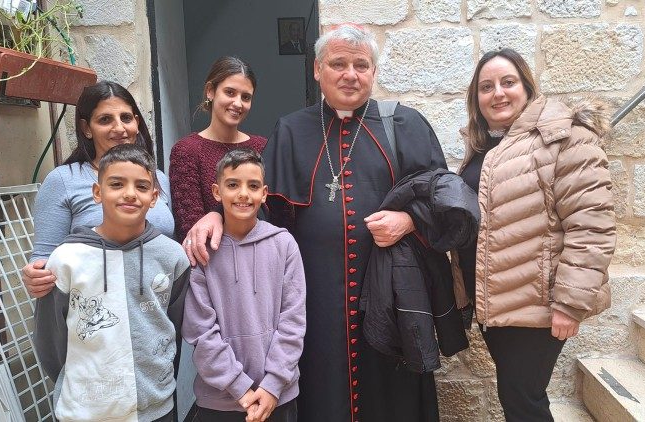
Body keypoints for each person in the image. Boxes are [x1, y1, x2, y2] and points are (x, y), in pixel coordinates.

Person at [186, 24, 447, 422]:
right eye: (338, 63)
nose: (350, 74)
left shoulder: (406, 126)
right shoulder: (291, 130)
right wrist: (212, 213)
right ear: (317, 70)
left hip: (390, 297)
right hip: (314, 300)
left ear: (374, 73)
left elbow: (444, 198)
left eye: (361, 65)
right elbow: (259, 209)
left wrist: (409, 219)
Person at [451, 48, 616, 421]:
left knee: (523, 400)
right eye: (486, 86)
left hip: (536, 303)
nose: (498, 93)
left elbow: (591, 225)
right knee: (519, 397)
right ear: (476, 98)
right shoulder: (487, 145)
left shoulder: (564, 137)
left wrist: (569, 304)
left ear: (527, 87)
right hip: (498, 303)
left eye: (508, 82)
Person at [34, 143, 190, 422]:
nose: (130, 194)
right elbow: (50, 341)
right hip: (84, 411)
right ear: (97, 192)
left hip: (155, 408)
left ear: (154, 197)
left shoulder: (172, 256)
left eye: (141, 187)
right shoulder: (66, 259)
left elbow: (173, 328)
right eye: (116, 184)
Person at [183, 148, 305, 422]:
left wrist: (272, 386)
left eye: (252, 186)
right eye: (233, 185)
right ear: (216, 191)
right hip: (219, 400)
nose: (243, 194)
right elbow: (200, 331)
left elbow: (293, 322)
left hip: (279, 395)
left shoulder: (284, 244)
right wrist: (239, 387)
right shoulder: (203, 251)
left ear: (264, 194)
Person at [23, 80, 174, 298]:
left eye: (126, 118)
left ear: (137, 123)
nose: (119, 128)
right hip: (94, 310)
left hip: (156, 306)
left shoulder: (157, 178)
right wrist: (35, 275)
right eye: (105, 120)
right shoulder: (64, 180)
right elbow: (45, 258)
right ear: (86, 128)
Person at [170, 56, 267, 242]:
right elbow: (190, 227)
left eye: (245, 97)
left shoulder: (262, 147)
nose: (238, 103)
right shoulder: (187, 151)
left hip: (258, 252)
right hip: (210, 259)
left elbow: (275, 214)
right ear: (210, 91)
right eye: (230, 93)